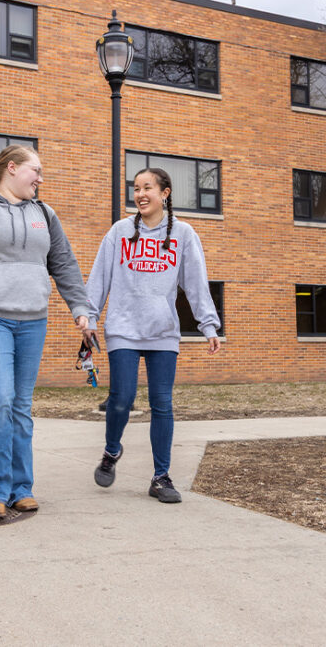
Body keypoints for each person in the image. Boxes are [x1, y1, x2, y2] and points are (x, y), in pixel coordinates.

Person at [0, 144, 90, 519]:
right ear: (12, 168)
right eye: (35, 171)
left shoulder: (44, 213)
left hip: (33, 320)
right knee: (1, 398)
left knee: (22, 406)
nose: (40, 179)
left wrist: (80, 309)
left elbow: (64, 263)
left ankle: (20, 487)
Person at [84, 167, 222, 503]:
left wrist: (208, 324)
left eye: (148, 188)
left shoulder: (183, 234)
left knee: (162, 405)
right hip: (124, 328)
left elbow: (195, 282)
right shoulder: (119, 232)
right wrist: (89, 317)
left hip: (162, 331)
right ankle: (112, 450)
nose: (141, 194)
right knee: (122, 399)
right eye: (136, 189)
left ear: (165, 193)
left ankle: (161, 477)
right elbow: (99, 277)